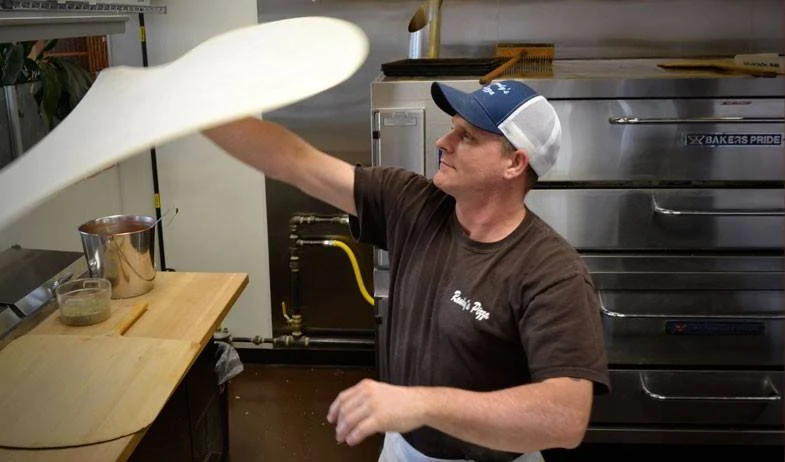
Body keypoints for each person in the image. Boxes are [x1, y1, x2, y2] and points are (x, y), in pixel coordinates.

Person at [202, 79, 610, 462]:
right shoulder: (413, 202)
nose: (443, 142)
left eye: (466, 136)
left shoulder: (551, 272)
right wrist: (191, 109)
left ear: (514, 163)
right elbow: (294, 161)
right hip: (403, 447)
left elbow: (564, 419)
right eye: (452, 128)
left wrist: (421, 403)